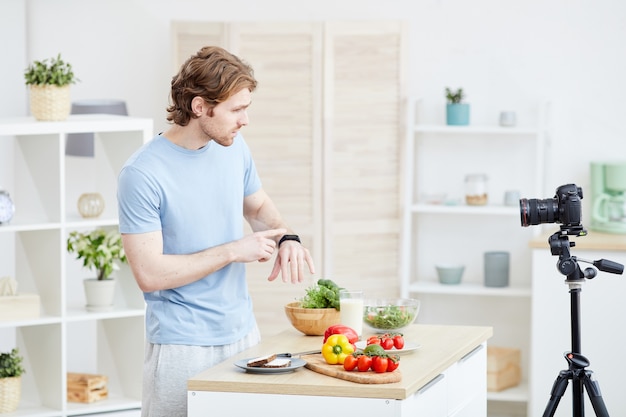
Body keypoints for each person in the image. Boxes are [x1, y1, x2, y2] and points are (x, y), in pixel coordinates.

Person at [117, 45, 315, 417]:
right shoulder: (142, 174)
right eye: (236, 110)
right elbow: (149, 274)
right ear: (199, 107)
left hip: (243, 336)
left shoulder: (234, 149)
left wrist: (286, 235)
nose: (245, 121)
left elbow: (257, 207)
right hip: (181, 346)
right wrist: (233, 251)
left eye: (246, 109)